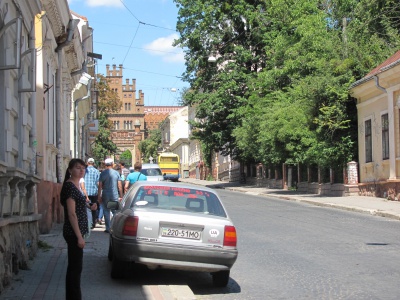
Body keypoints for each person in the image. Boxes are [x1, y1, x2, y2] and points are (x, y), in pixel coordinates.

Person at [60, 158, 92, 300]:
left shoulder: (76, 185)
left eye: (83, 168)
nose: (81, 170)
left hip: (76, 232)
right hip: (73, 232)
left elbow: (78, 206)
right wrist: (79, 236)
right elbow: (72, 214)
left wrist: (90, 206)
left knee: (75, 268)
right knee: (75, 269)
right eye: (78, 168)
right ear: (70, 170)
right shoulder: (70, 187)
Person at [97, 158, 123, 233]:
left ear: (105, 164)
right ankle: (114, 227)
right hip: (114, 194)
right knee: (114, 211)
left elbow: (100, 186)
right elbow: (120, 185)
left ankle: (108, 228)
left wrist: (99, 196)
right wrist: (121, 195)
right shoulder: (116, 173)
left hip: (105, 194)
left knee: (106, 210)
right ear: (112, 164)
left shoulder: (103, 173)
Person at [84, 158, 100, 228]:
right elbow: (98, 183)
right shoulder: (97, 171)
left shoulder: (84, 171)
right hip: (94, 192)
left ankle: (86, 223)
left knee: (85, 208)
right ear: (93, 163)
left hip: (85, 192)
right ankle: (93, 223)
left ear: (87, 163)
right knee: (94, 208)